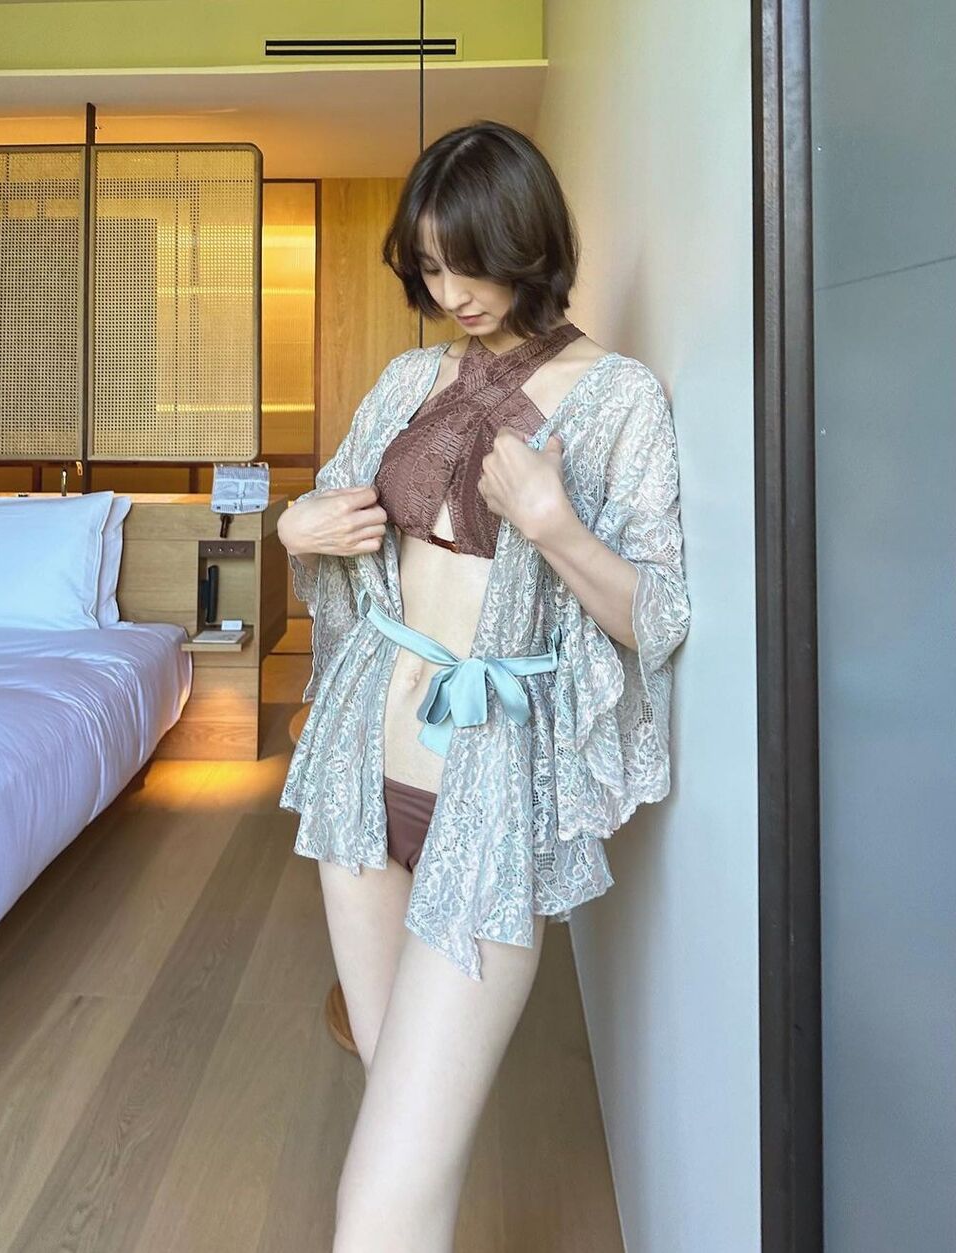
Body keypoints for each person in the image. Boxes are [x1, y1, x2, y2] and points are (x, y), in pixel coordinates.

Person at [276, 119, 690, 1253]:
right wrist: (296, 525)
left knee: (380, 1198)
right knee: (400, 1138)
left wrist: (555, 526)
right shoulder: (411, 378)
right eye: (428, 265)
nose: (450, 292)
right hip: (363, 773)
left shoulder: (619, 398)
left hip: (489, 795)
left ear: (529, 243)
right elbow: (332, 510)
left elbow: (653, 616)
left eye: (470, 262)